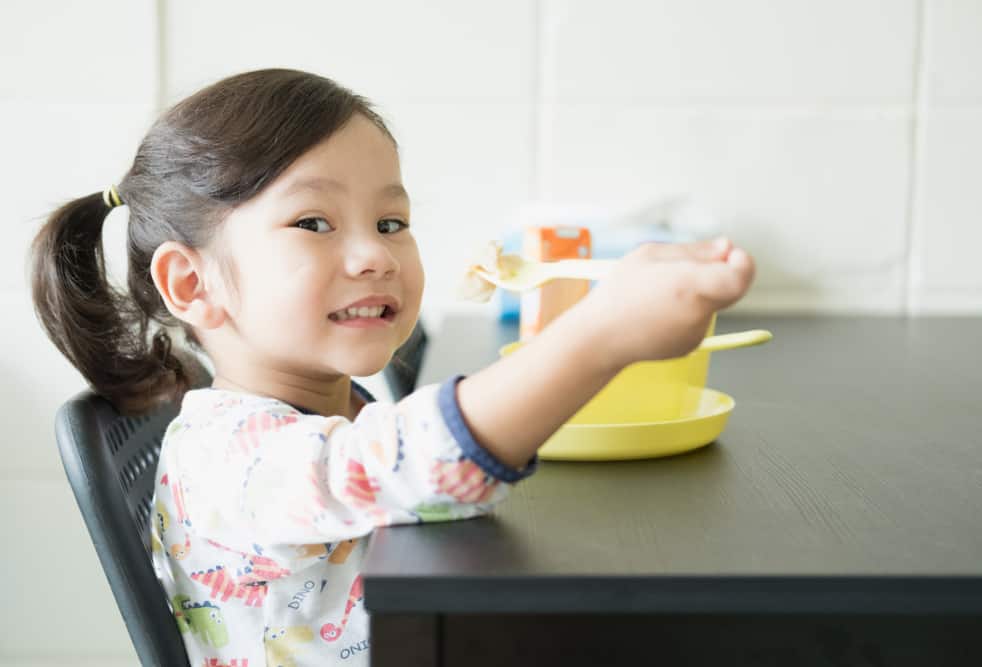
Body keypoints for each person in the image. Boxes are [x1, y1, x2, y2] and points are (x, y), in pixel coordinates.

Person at [29, 69, 755, 666]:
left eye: (391, 222)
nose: (375, 253)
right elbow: (417, 461)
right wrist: (605, 329)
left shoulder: (340, 405)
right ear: (193, 285)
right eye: (314, 223)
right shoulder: (231, 458)